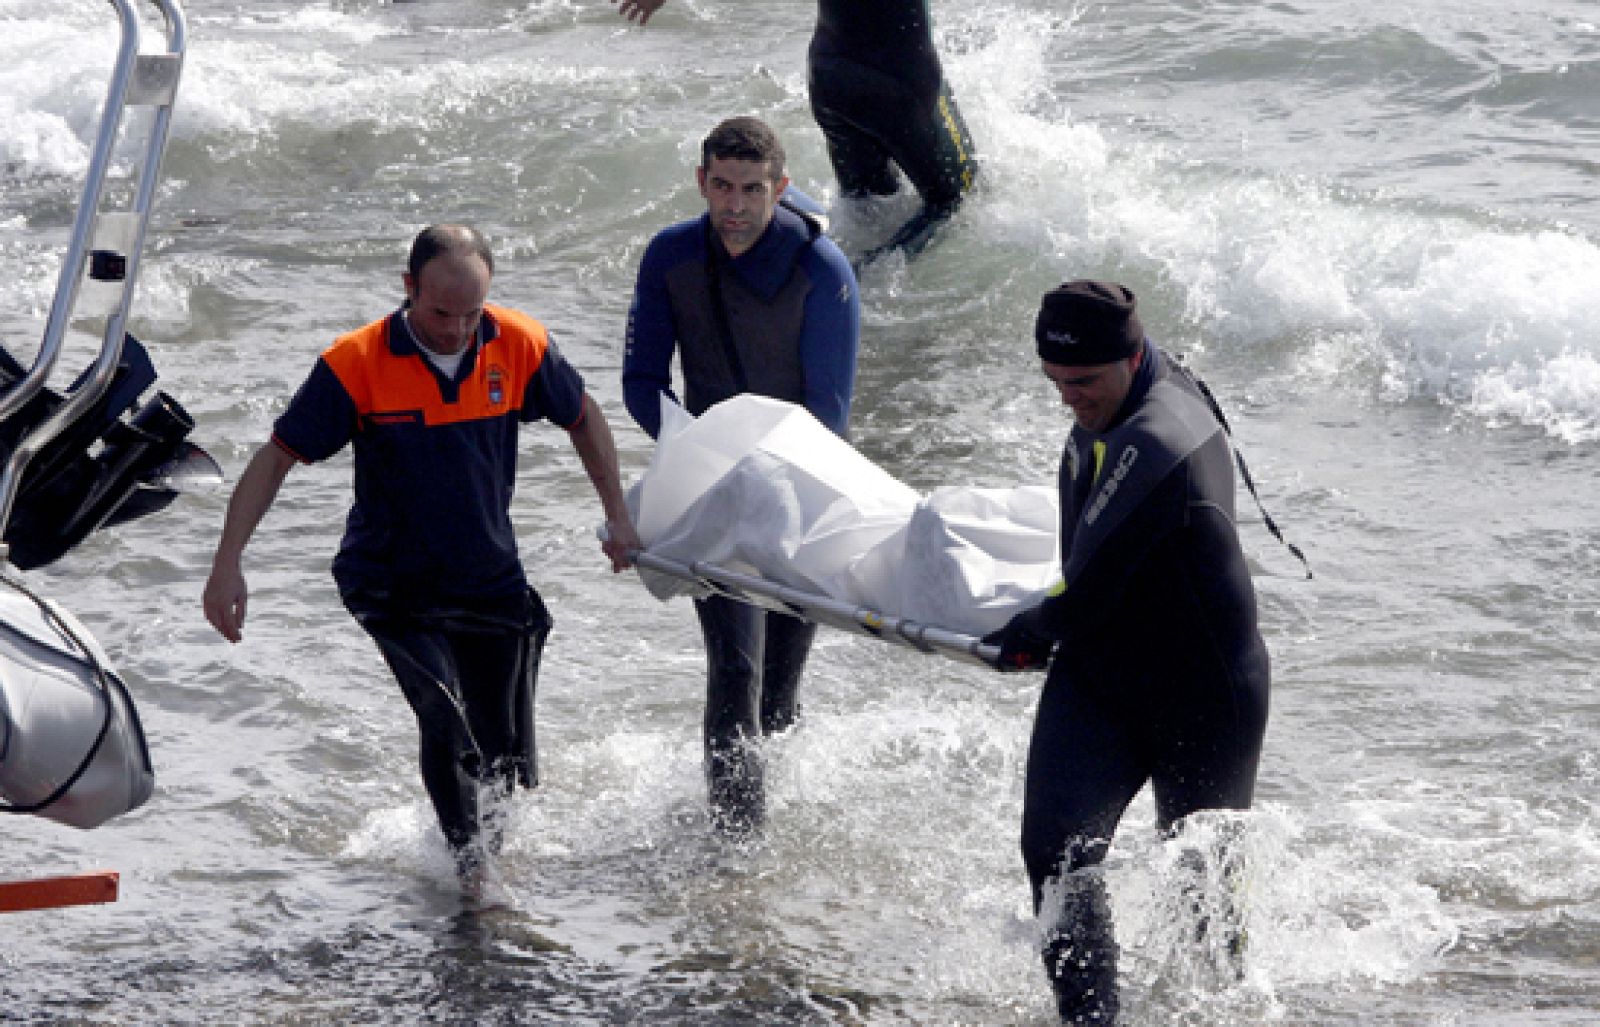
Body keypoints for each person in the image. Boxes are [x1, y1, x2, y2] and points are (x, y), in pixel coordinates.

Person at [202, 224, 641, 890]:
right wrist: (227, 560)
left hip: (488, 575)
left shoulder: (517, 342)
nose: (459, 329)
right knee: (442, 709)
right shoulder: (356, 362)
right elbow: (276, 457)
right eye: (441, 312)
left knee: (498, 745)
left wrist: (618, 514)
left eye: (473, 313)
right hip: (391, 583)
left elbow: (582, 415)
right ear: (408, 288)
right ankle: (471, 870)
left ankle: (488, 852)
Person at [983, 280, 1271, 1022]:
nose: (1067, 399)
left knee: (1205, 899)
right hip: (1104, 674)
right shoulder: (1119, 393)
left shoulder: (1158, 436)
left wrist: (1023, 630)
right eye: (1053, 381)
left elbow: (1076, 597)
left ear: (1133, 354)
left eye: (1081, 382)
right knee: (1056, 854)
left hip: (1206, 691)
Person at [622, 116, 859, 836]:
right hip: (712, 488)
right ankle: (734, 854)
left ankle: (769, 839)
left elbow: (828, 413)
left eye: (752, 189)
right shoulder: (670, 257)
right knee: (735, 670)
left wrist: (765, 476)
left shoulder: (821, 268)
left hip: (804, 488)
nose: (734, 205)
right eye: (721, 186)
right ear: (701, 182)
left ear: (780, 189)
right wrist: (702, 454)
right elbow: (640, 382)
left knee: (780, 693)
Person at [609, 0, 977, 266]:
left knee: (866, 201)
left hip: (829, 77)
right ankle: (856, 280)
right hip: (900, 86)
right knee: (957, 197)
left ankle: (806, 269)